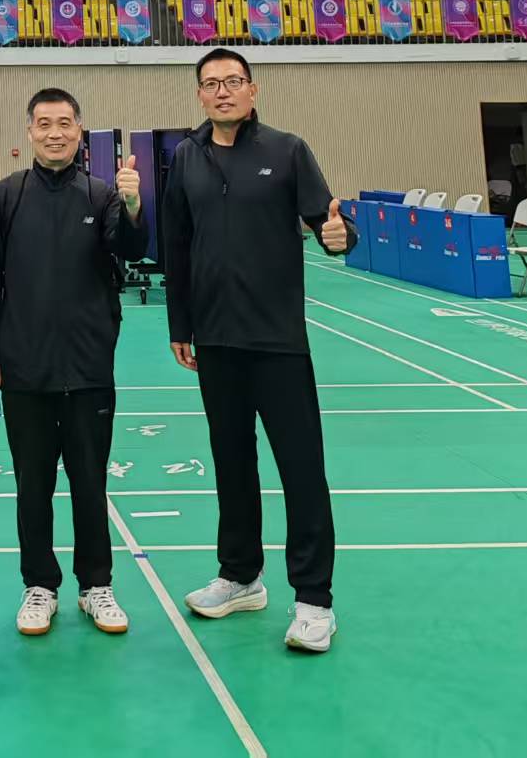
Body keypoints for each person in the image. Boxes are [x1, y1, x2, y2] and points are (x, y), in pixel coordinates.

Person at [160, 48, 357, 655]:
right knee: (232, 462)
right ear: (200, 94)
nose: (222, 91)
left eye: (233, 81)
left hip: (277, 341)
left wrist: (339, 236)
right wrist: (180, 323)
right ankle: (241, 576)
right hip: (215, 341)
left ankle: (314, 600)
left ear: (253, 89)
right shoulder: (186, 157)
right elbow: (176, 245)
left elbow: (328, 224)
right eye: (210, 83)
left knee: (301, 469)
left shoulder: (287, 151)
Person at [0, 89, 146, 637]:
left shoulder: (101, 194)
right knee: (33, 484)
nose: (55, 133)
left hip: (88, 367)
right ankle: (39, 586)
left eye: (65, 123)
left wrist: (133, 204)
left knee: (90, 483)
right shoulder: (8, 195)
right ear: (30, 131)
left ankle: (96, 585)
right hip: (24, 367)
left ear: (79, 131)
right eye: (44, 124)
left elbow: (131, 249)